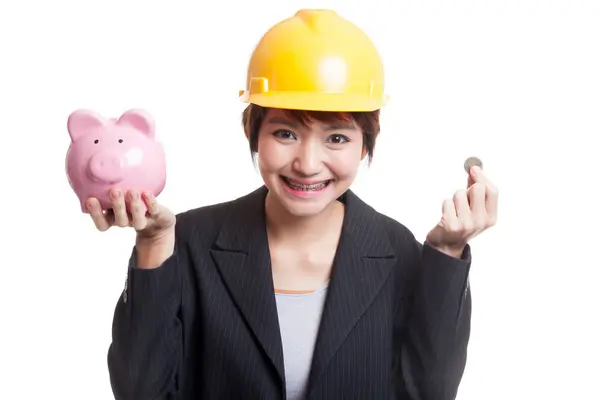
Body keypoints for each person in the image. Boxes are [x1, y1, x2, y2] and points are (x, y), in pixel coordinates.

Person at [88, 9, 499, 400]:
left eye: (336, 138)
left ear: (365, 145)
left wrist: (446, 252)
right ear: (252, 129)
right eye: (285, 133)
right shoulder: (189, 242)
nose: (306, 164)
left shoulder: (395, 250)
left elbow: (427, 394)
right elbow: (142, 392)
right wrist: (154, 243)